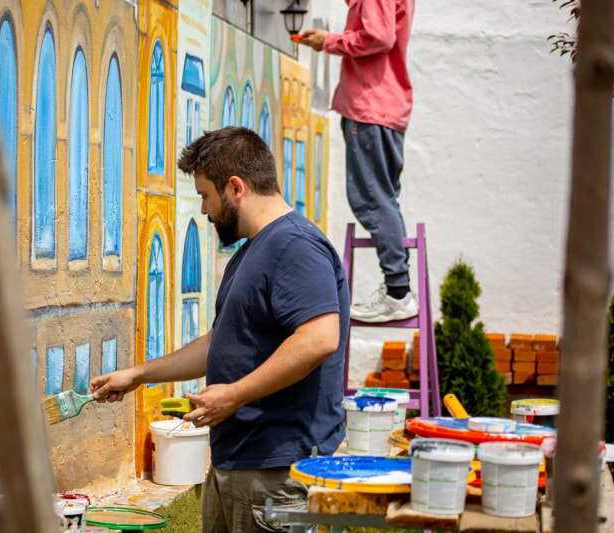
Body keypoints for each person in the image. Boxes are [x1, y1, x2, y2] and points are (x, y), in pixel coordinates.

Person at [90, 127, 349, 533]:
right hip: (239, 463)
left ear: (236, 187)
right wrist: (140, 374)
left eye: (206, 196)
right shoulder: (251, 253)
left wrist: (233, 395)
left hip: (278, 471)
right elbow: (221, 343)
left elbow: (319, 338)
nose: (205, 211)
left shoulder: (296, 245)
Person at [298, 0, 417, 323]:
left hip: (370, 107)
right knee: (382, 199)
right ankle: (398, 288)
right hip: (383, 108)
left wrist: (329, 41)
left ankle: (397, 292)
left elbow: (379, 37)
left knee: (371, 199)